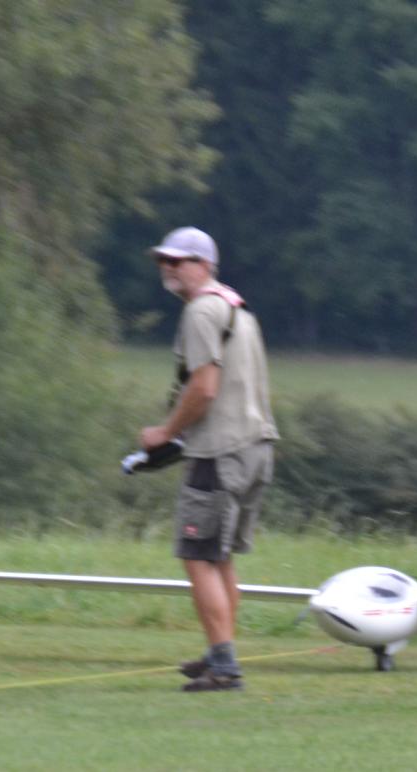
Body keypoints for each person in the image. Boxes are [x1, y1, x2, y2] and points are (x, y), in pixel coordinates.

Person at [140, 226, 278, 693]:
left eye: (177, 261)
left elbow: (204, 389)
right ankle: (221, 651)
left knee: (196, 554)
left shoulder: (201, 311)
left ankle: (224, 665)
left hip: (219, 451)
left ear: (203, 265)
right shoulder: (238, 309)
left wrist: (164, 433)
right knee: (219, 559)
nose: (167, 268)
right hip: (257, 446)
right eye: (163, 261)